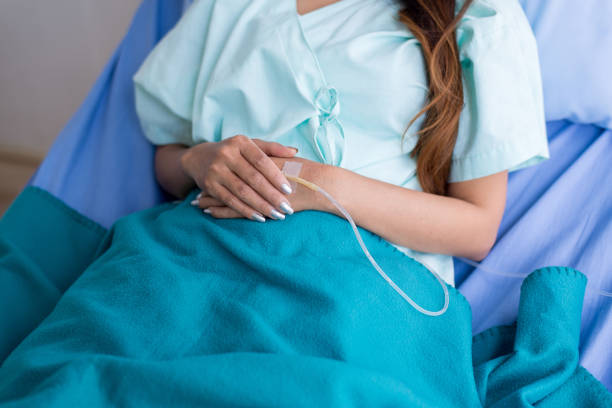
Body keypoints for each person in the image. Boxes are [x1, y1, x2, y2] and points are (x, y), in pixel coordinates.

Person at [134, 0, 549, 286]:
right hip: (194, 258)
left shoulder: (474, 15)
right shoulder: (228, 8)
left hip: (360, 286)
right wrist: (198, 161)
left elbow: (477, 228)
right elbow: (166, 160)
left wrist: (319, 186)